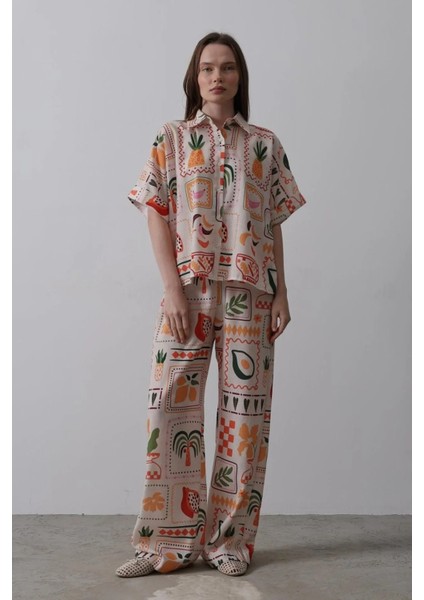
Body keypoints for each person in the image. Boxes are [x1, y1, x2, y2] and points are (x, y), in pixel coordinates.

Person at [116, 31, 306, 578]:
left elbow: (272, 221)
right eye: (207, 68)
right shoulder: (171, 138)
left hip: (252, 292)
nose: (217, 76)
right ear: (194, 78)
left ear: (239, 76)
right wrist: (172, 287)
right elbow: (155, 210)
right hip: (190, 290)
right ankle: (165, 545)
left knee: (245, 418)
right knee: (169, 407)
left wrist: (282, 291)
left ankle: (229, 543)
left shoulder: (264, 143)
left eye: (226, 67)